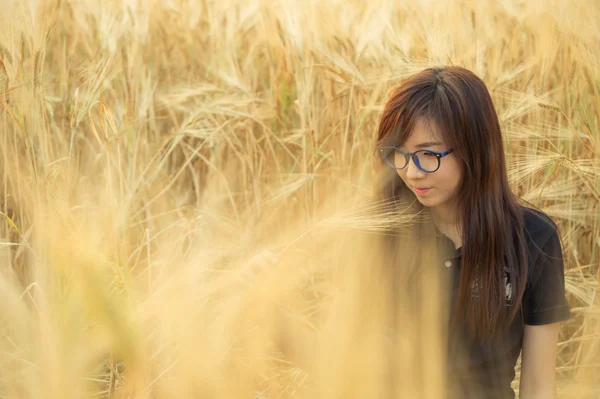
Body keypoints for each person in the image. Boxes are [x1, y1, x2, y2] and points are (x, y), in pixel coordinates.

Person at [374, 66, 571, 398]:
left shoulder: (534, 239)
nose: (412, 172)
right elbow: (345, 364)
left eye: (428, 154)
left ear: (474, 148)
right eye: (400, 153)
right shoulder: (383, 233)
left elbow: (538, 386)